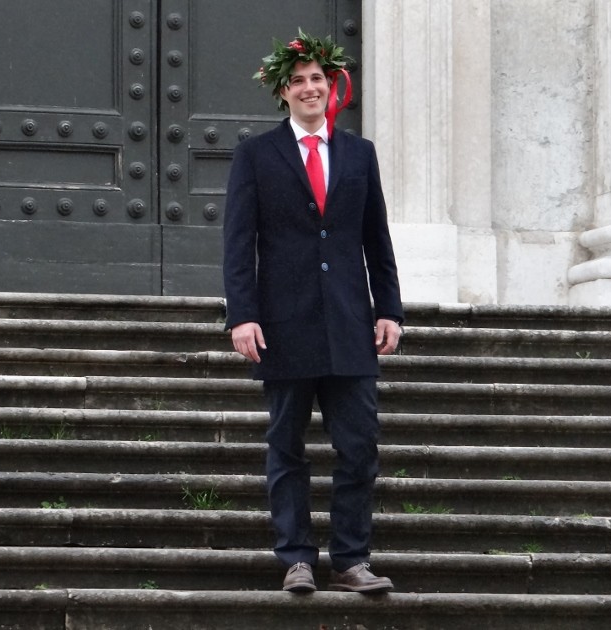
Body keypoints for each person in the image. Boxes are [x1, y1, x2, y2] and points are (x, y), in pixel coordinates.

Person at [223, 29, 403, 594]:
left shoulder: (359, 153)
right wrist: (242, 315)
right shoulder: (256, 154)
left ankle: (350, 560)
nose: (309, 88)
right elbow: (239, 241)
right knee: (286, 446)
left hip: (350, 323)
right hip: (283, 325)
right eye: (298, 81)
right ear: (283, 92)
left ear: (332, 86)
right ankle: (297, 558)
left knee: (359, 447)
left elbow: (376, 238)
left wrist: (389, 309)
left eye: (317, 79)